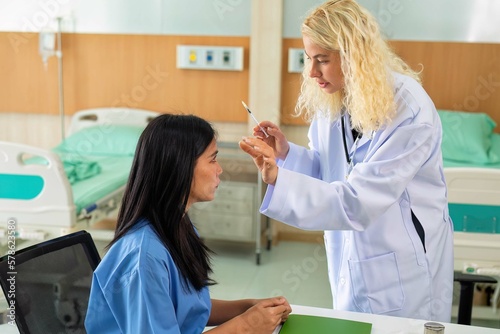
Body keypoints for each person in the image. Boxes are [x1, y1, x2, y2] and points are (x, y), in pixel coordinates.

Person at [239, 0, 454, 322]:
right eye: (309, 59)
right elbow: (331, 172)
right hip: (351, 254)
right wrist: (286, 154)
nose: (311, 73)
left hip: (403, 265)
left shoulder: (408, 112)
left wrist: (278, 179)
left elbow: (359, 201)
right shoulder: (336, 102)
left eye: (322, 60)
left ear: (355, 55)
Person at [85, 114, 291, 333]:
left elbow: (187, 308)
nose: (219, 169)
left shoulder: (176, 224)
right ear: (180, 166)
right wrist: (247, 325)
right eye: (213, 159)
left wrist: (246, 307)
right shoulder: (144, 258)